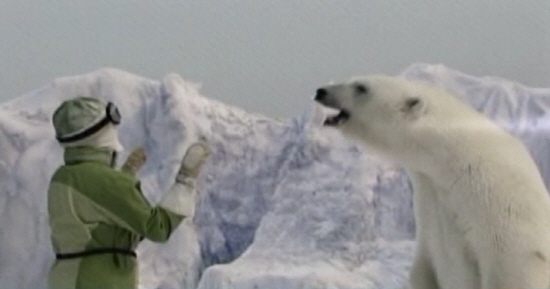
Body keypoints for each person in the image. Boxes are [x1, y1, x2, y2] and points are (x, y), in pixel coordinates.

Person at [47, 96, 210, 289]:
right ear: (98, 133)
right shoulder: (102, 181)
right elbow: (157, 227)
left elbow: (103, 227)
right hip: (98, 280)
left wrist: (124, 180)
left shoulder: (62, 177)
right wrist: (185, 182)